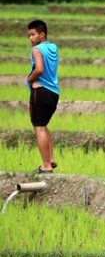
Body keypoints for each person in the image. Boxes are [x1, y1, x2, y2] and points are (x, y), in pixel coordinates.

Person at [26, 20, 59, 173]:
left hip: (40, 92)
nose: (31, 38)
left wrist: (29, 79)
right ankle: (51, 159)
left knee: (38, 127)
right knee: (44, 125)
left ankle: (45, 166)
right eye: (29, 36)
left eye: (33, 35)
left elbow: (39, 69)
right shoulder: (53, 47)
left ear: (42, 34)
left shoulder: (36, 50)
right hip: (54, 93)